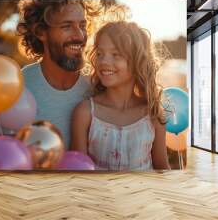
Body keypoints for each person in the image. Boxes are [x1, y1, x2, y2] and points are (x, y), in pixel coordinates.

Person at [0, 0, 100, 149]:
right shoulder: (16, 90)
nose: (80, 35)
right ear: (41, 32)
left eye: (82, 25)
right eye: (67, 26)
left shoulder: (98, 85)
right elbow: (4, 155)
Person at [71, 21, 170, 170]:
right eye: (99, 53)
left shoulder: (152, 114)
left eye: (116, 54)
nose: (104, 61)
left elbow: (162, 169)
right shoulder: (85, 113)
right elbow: (78, 171)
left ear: (138, 61)